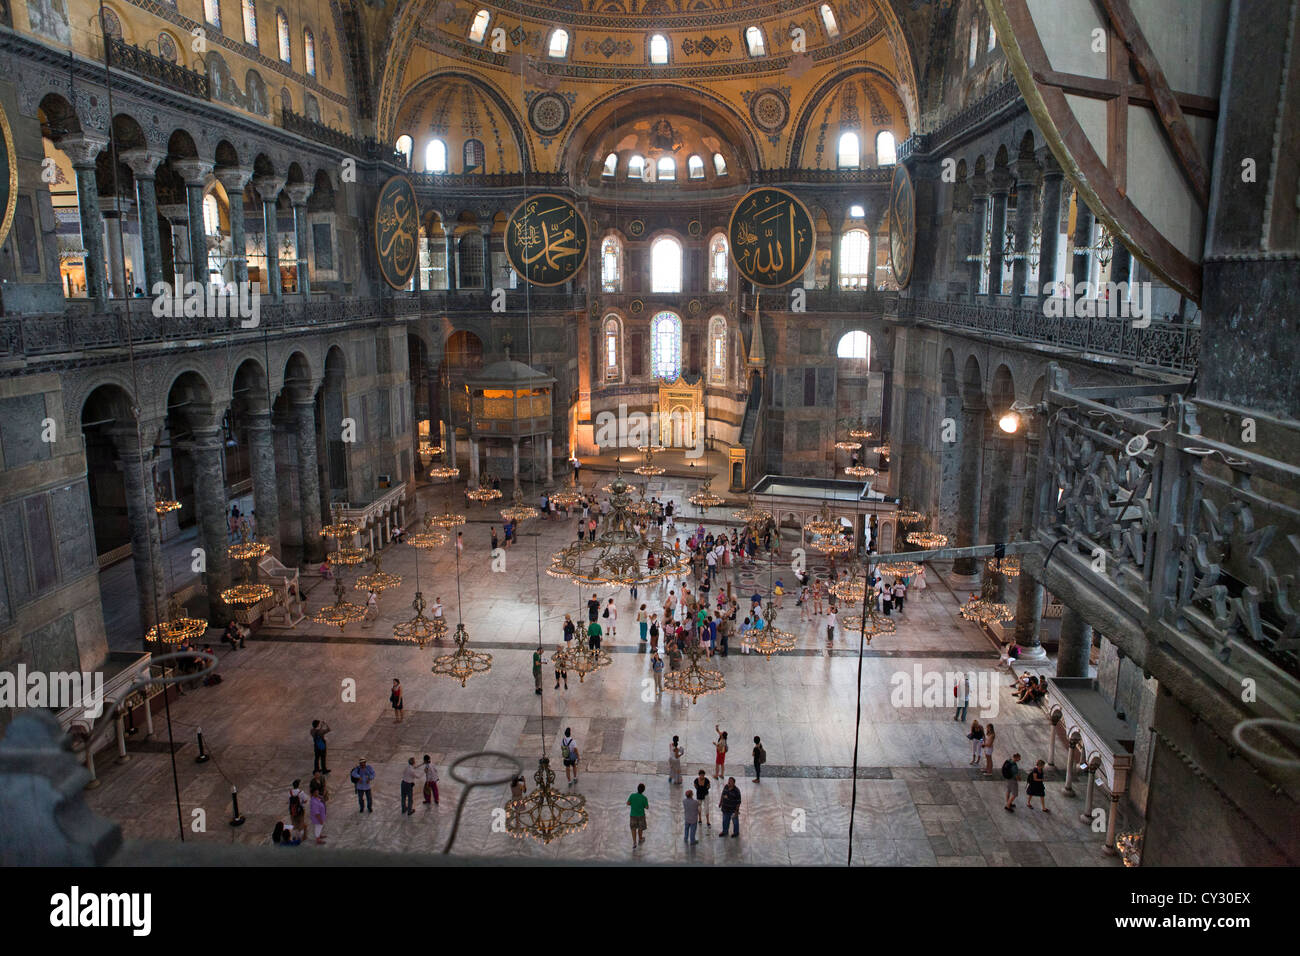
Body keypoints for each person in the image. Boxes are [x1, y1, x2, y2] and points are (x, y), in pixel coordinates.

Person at [627, 783, 648, 849]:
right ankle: (640, 838)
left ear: (637, 788)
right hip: (641, 816)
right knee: (640, 828)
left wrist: (633, 804)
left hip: (633, 815)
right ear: (643, 790)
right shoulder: (644, 798)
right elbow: (647, 807)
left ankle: (634, 842)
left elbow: (628, 803)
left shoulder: (632, 796)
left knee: (633, 829)